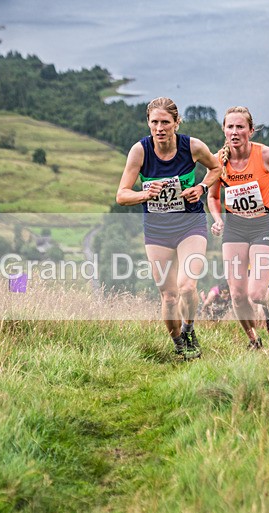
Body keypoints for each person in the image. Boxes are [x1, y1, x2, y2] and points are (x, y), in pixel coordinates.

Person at [116, 97, 221, 359]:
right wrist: (145, 195)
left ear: (176, 123)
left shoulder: (192, 147)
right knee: (169, 297)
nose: (159, 128)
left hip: (190, 225)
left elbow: (216, 167)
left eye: (165, 122)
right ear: (148, 123)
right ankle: (177, 344)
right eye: (154, 122)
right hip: (157, 231)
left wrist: (201, 188)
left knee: (187, 287)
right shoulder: (140, 151)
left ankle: (189, 329)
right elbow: (121, 195)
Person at [208, 106, 269, 350]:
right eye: (230, 127)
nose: (234, 132)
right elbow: (213, 197)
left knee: (256, 293)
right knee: (237, 294)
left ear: (251, 130)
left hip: (264, 224)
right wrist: (217, 219)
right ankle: (253, 340)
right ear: (224, 130)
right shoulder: (218, 162)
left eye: (240, 127)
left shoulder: (266, 155)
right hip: (235, 226)